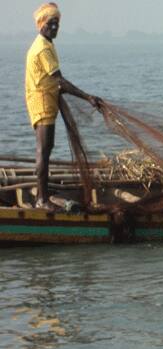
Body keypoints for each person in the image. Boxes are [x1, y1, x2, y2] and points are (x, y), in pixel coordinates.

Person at [25, 2, 101, 208]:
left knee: (46, 148)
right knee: (43, 149)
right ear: (41, 24)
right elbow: (60, 81)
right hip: (41, 101)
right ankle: (41, 199)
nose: (54, 27)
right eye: (51, 23)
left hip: (46, 99)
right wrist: (88, 97)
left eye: (57, 23)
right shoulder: (42, 48)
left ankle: (43, 194)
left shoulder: (47, 44)